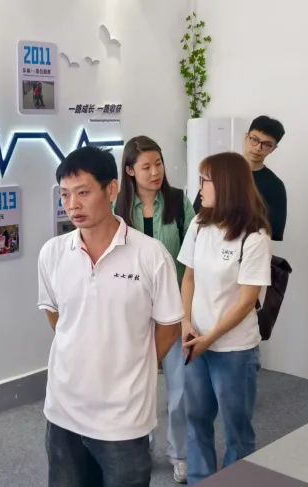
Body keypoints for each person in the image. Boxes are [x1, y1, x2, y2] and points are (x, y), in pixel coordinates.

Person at [37, 146, 184, 487]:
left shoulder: (150, 255)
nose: (73, 205)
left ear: (112, 189)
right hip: (63, 410)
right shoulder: (53, 253)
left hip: (123, 416)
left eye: (83, 192)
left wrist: (135, 362)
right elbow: (56, 316)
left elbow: (169, 326)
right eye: (65, 195)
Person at [179, 153, 272, 484]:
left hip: (234, 349)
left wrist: (211, 338)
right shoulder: (199, 223)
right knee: (197, 420)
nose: (199, 188)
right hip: (196, 341)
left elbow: (247, 301)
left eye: (205, 181)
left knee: (237, 429)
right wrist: (185, 323)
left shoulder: (254, 236)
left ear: (226, 185)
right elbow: (188, 277)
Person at [114, 135, 197, 484]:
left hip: (174, 311)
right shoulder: (118, 208)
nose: (155, 172)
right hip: (133, 312)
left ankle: (180, 455)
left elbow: (193, 259)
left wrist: (188, 313)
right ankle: (140, 443)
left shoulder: (179, 201)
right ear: (130, 171)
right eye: (146, 166)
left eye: (158, 164)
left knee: (180, 391)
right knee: (136, 387)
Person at [193, 116, 287, 241]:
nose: (258, 147)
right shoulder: (219, 172)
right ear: (246, 137)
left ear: (273, 149)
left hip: (248, 248)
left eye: (266, 144)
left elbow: (272, 231)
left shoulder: (275, 186)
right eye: (254, 139)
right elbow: (197, 213)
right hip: (209, 242)